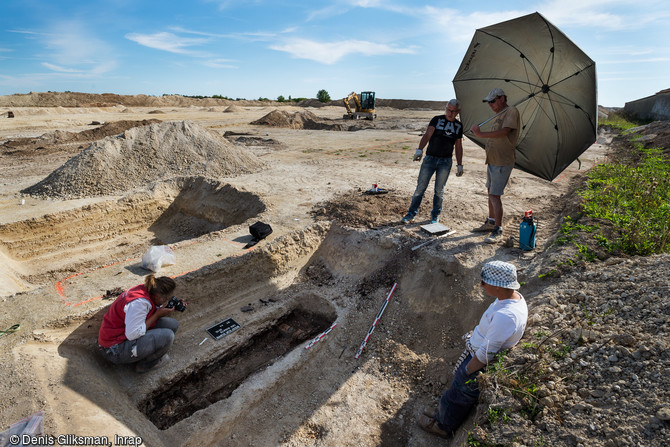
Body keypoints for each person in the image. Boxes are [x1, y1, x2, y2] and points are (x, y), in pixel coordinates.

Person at [418, 260, 528, 439]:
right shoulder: (511, 298)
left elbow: (487, 353)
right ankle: (442, 414)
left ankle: (442, 426)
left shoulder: (505, 316)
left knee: (457, 398)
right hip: (476, 356)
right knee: (455, 394)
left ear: (499, 286)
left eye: (485, 282)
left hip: (478, 363)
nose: (481, 285)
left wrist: (467, 371)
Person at [98, 274, 183, 373]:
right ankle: (144, 365)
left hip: (121, 336)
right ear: (157, 295)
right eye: (165, 299)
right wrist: (157, 315)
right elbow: (133, 334)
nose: (166, 301)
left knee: (172, 325)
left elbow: (144, 314)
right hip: (114, 350)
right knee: (167, 336)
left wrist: (171, 306)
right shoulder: (139, 303)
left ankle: (141, 354)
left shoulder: (147, 289)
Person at [401, 99, 464, 225]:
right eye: (448, 110)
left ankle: (435, 216)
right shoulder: (437, 119)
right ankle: (411, 214)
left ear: (458, 112)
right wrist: (419, 150)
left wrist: (459, 164)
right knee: (420, 187)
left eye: (453, 111)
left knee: (439, 190)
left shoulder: (458, 126)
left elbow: (458, 146)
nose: (450, 113)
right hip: (430, 159)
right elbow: (427, 135)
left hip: (445, 162)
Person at [470, 88, 520, 244]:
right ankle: (491, 222)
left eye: (492, 101)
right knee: (490, 192)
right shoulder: (499, 114)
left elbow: (504, 132)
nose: (490, 104)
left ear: (502, 98)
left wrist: (481, 134)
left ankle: (498, 229)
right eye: (488, 102)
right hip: (493, 160)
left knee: (494, 195)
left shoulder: (511, 111)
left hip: (502, 161)